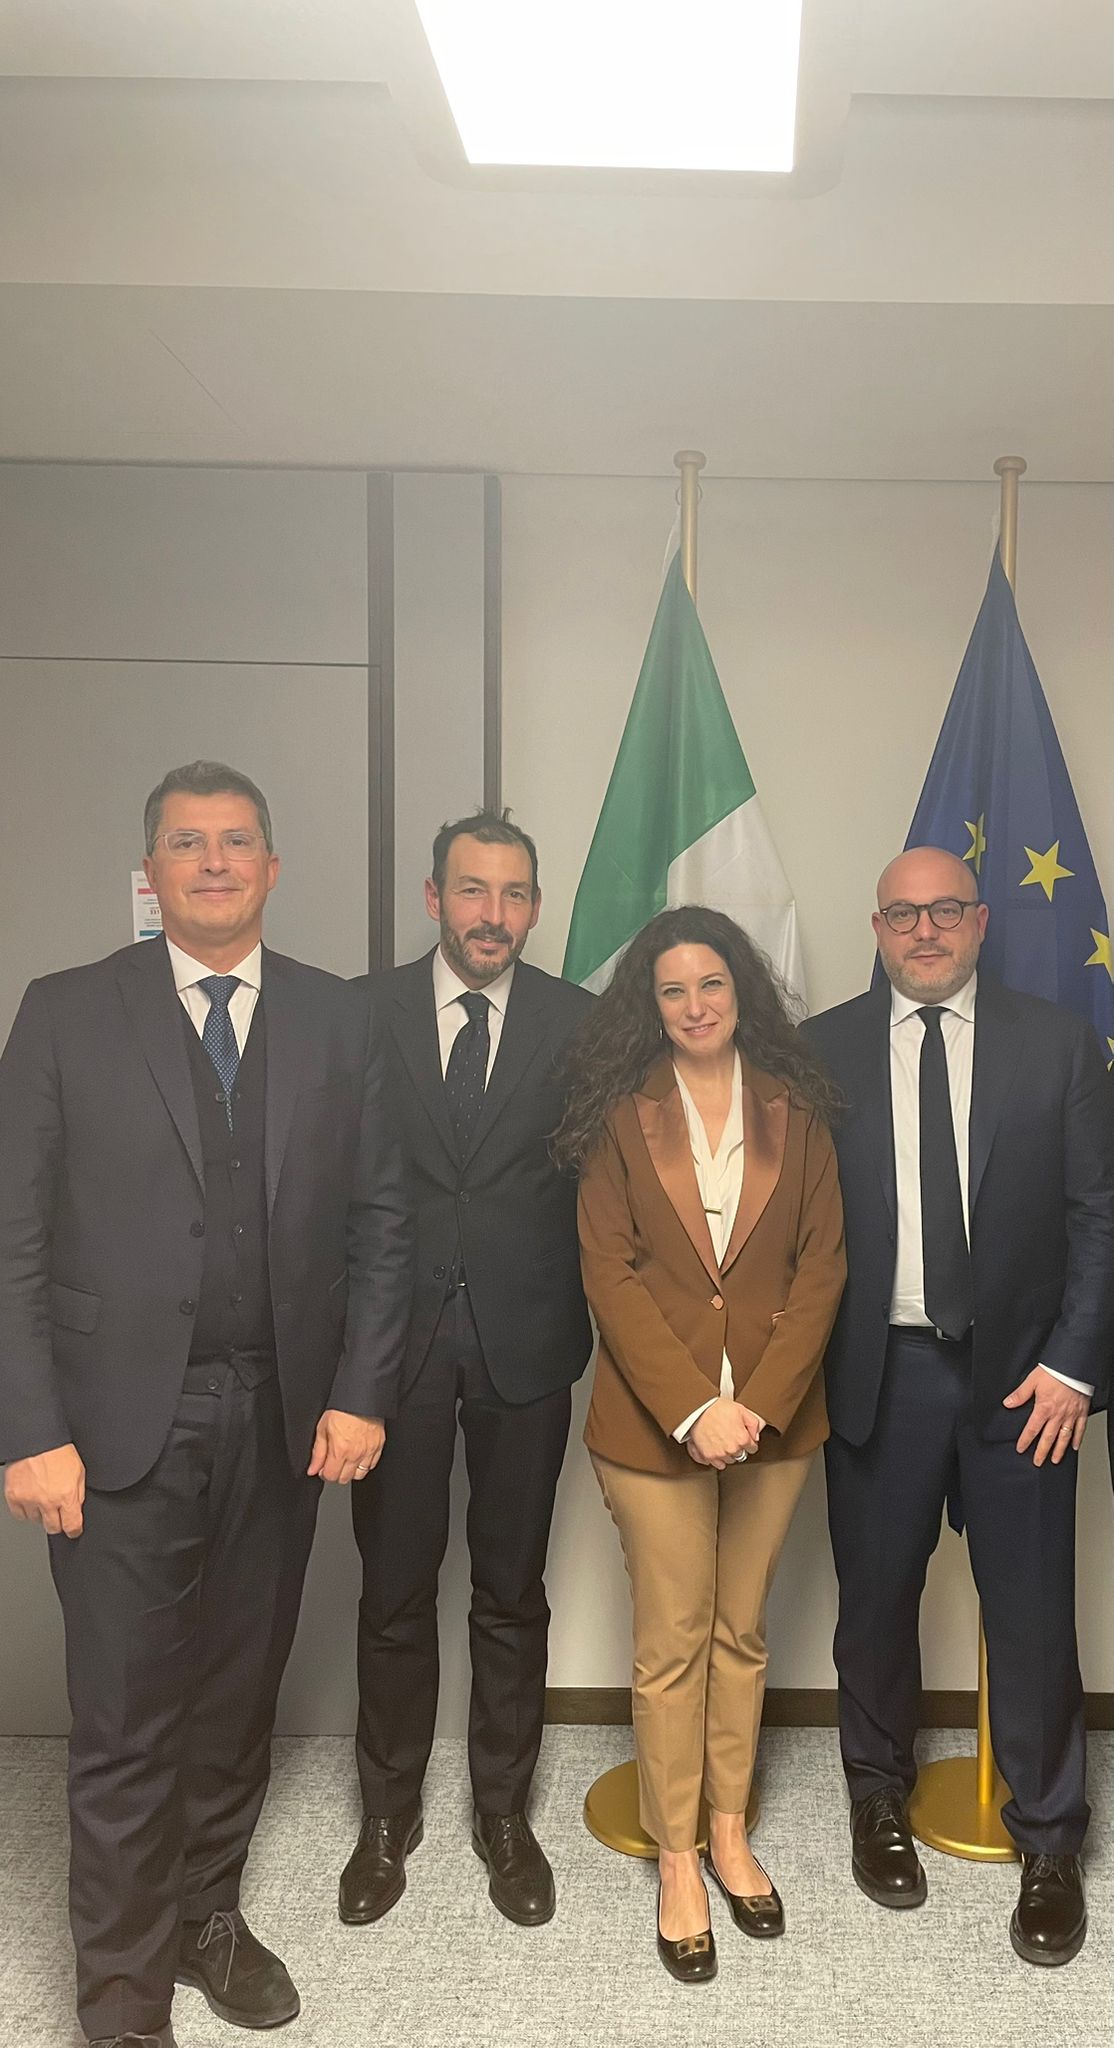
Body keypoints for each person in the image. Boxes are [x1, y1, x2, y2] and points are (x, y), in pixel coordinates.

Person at [0, 761, 411, 2048]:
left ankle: (204, 1917)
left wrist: (360, 1390)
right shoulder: (65, 1010)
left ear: (272, 867)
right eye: (188, 842)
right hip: (113, 1429)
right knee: (127, 1723)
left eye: (237, 841)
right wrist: (27, 1427)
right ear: (152, 870)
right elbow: (11, 1236)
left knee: (236, 1703)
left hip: (282, 1419)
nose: (215, 861)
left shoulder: (339, 1018)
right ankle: (123, 2003)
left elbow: (382, 1220)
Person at [802, 844, 1114, 1968]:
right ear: (876, 927)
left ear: (981, 922)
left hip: (1024, 1382)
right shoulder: (820, 1050)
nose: (924, 930)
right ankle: (876, 1797)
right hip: (878, 1374)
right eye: (903, 913)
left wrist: (1074, 1365)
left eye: (944, 911)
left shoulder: (1058, 1044)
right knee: (874, 1602)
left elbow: (1099, 1214)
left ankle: (1050, 1839)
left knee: (1030, 1615)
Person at [555, 904, 845, 1983]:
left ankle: (729, 1831)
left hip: (775, 1419)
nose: (693, 1005)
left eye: (711, 984)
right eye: (672, 988)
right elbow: (609, 1274)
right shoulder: (618, 1115)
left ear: (740, 991)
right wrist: (695, 1408)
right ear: (651, 1002)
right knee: (673, 1639)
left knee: (741, 1632)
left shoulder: (796, 1107)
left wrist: (757, 1404)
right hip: (652, 1425)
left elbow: (822, 1266)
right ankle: (676, 1857)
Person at [339, 809, 594, 1931]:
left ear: (534, 907)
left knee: (511, 1591)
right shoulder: (362, 1012)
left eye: (515, 893)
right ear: (433, 896)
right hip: (388, 1355)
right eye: (473, 890)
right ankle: (386, 1816)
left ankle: (503, 1815)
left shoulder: (580, 1024)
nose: (494, 914)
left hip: (526, 1347)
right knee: (393, 1592)